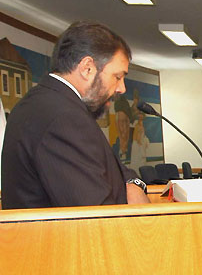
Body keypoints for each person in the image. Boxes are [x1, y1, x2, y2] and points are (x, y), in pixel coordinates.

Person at [1, 21, 148, 209]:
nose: (122, 88)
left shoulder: (48, 103)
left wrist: (134, 184)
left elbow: (115, 170)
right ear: (87, 68)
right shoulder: (63, 118)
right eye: (117, 77)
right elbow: (95, 214)